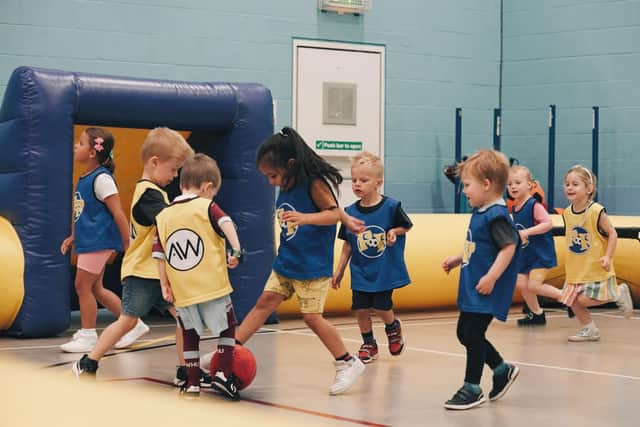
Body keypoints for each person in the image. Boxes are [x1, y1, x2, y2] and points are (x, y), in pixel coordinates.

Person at [233, 127, 365, 395]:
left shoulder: (314, 183)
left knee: (312, 318)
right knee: (263, 303)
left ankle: (347, 362)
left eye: (273, 175)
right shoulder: (289, 183)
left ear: (290, 165)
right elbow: (336, 211)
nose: (271, 182)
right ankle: (230, 350)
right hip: (287, 262)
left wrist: (307, 218)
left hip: (311, 266)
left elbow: (332, 214)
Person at [72, 127, 202, 386]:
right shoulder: (147, 195)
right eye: (174, 169)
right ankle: (89, 362)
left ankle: (186, 371)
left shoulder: (158, 193)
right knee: (127, 321)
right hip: (142, 274)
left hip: (161, 274)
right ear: (155, 162)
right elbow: (170, 221)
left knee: (186, 320)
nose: (175, 176)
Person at [153, 153, 244, 400]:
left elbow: (159, 253)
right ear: (207, 187)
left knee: (190, 334)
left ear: (182, 184)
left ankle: (192, 384)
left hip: (182, 290)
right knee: (228, 327)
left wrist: (164, 284)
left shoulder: (163, 215)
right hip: (211, 284)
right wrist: (237, 250)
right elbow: (226, 222)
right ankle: (223, 374)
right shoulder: (206, 206)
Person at [441, 149, 520, 410]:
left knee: (473, 332)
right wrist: (457, 257)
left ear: (486, 185)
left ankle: (472, 387)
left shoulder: (496, 215)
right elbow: (478, 245)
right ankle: (501, 369)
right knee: (465, 332)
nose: (464, 191)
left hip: (487, 287)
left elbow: (509, 247)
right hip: (474, 283)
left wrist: (492, 276)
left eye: (467, 185)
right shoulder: (481, 212)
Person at [59, 128, 144, 352]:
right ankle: (135, 324)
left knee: (81, 285)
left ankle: (88, 335)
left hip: (100, 241)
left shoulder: (102, 179)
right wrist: (73, 236)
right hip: (89, 241)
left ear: (92, 153)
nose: (76, 146)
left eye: (81, 143)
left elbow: (117, 213)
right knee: (96, 289)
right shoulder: (85, 178)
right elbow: (82, 213)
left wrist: (128, 245)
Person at [332, 152, 412, 363]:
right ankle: (369, 343)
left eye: (364, 180)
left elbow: (406, 226)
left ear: (378, 182)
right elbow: (348, 244)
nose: (357, 184)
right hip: (361, 270)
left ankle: (392, 327)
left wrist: (395, 231)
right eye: (354, 180)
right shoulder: (349, 212)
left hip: (383, 270)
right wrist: (339, 270)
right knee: (360, 309)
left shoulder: (391, 207)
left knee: (382, 307)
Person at [559, 165, 633, 342]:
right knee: (571, 300)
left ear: (589, 189)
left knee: (583, 300)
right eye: (567, 184)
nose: (569, 187)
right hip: (576, 268)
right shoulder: (567, 212)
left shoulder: (595, 211)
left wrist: (608, 256)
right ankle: (589, 329)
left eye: (575, 184)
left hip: (595, 268)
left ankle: (617, 292)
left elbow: (613, 234)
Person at [507, 165, 562, 326]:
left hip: (540, 254)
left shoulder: (534, 205)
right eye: (510, 184)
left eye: (517, 182)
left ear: (529, 185)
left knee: (534, 285)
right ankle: (537, 314)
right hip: (526, 254)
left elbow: (548, 223)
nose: (513, 187)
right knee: (521, 284)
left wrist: (527, 232)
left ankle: (567, 296)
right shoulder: (515, 208)